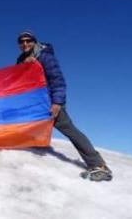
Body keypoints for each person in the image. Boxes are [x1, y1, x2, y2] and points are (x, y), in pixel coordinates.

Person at [16, 30, 112, 182]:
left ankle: (98, 165)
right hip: (34, 103)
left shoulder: (45, 57)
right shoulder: (21, 60)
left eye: (28, 40)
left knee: (69, 130)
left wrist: (57, 103)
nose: (25, 44)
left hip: (49, 102)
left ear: (34, 41)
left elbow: (57, 80)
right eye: (21, 42)